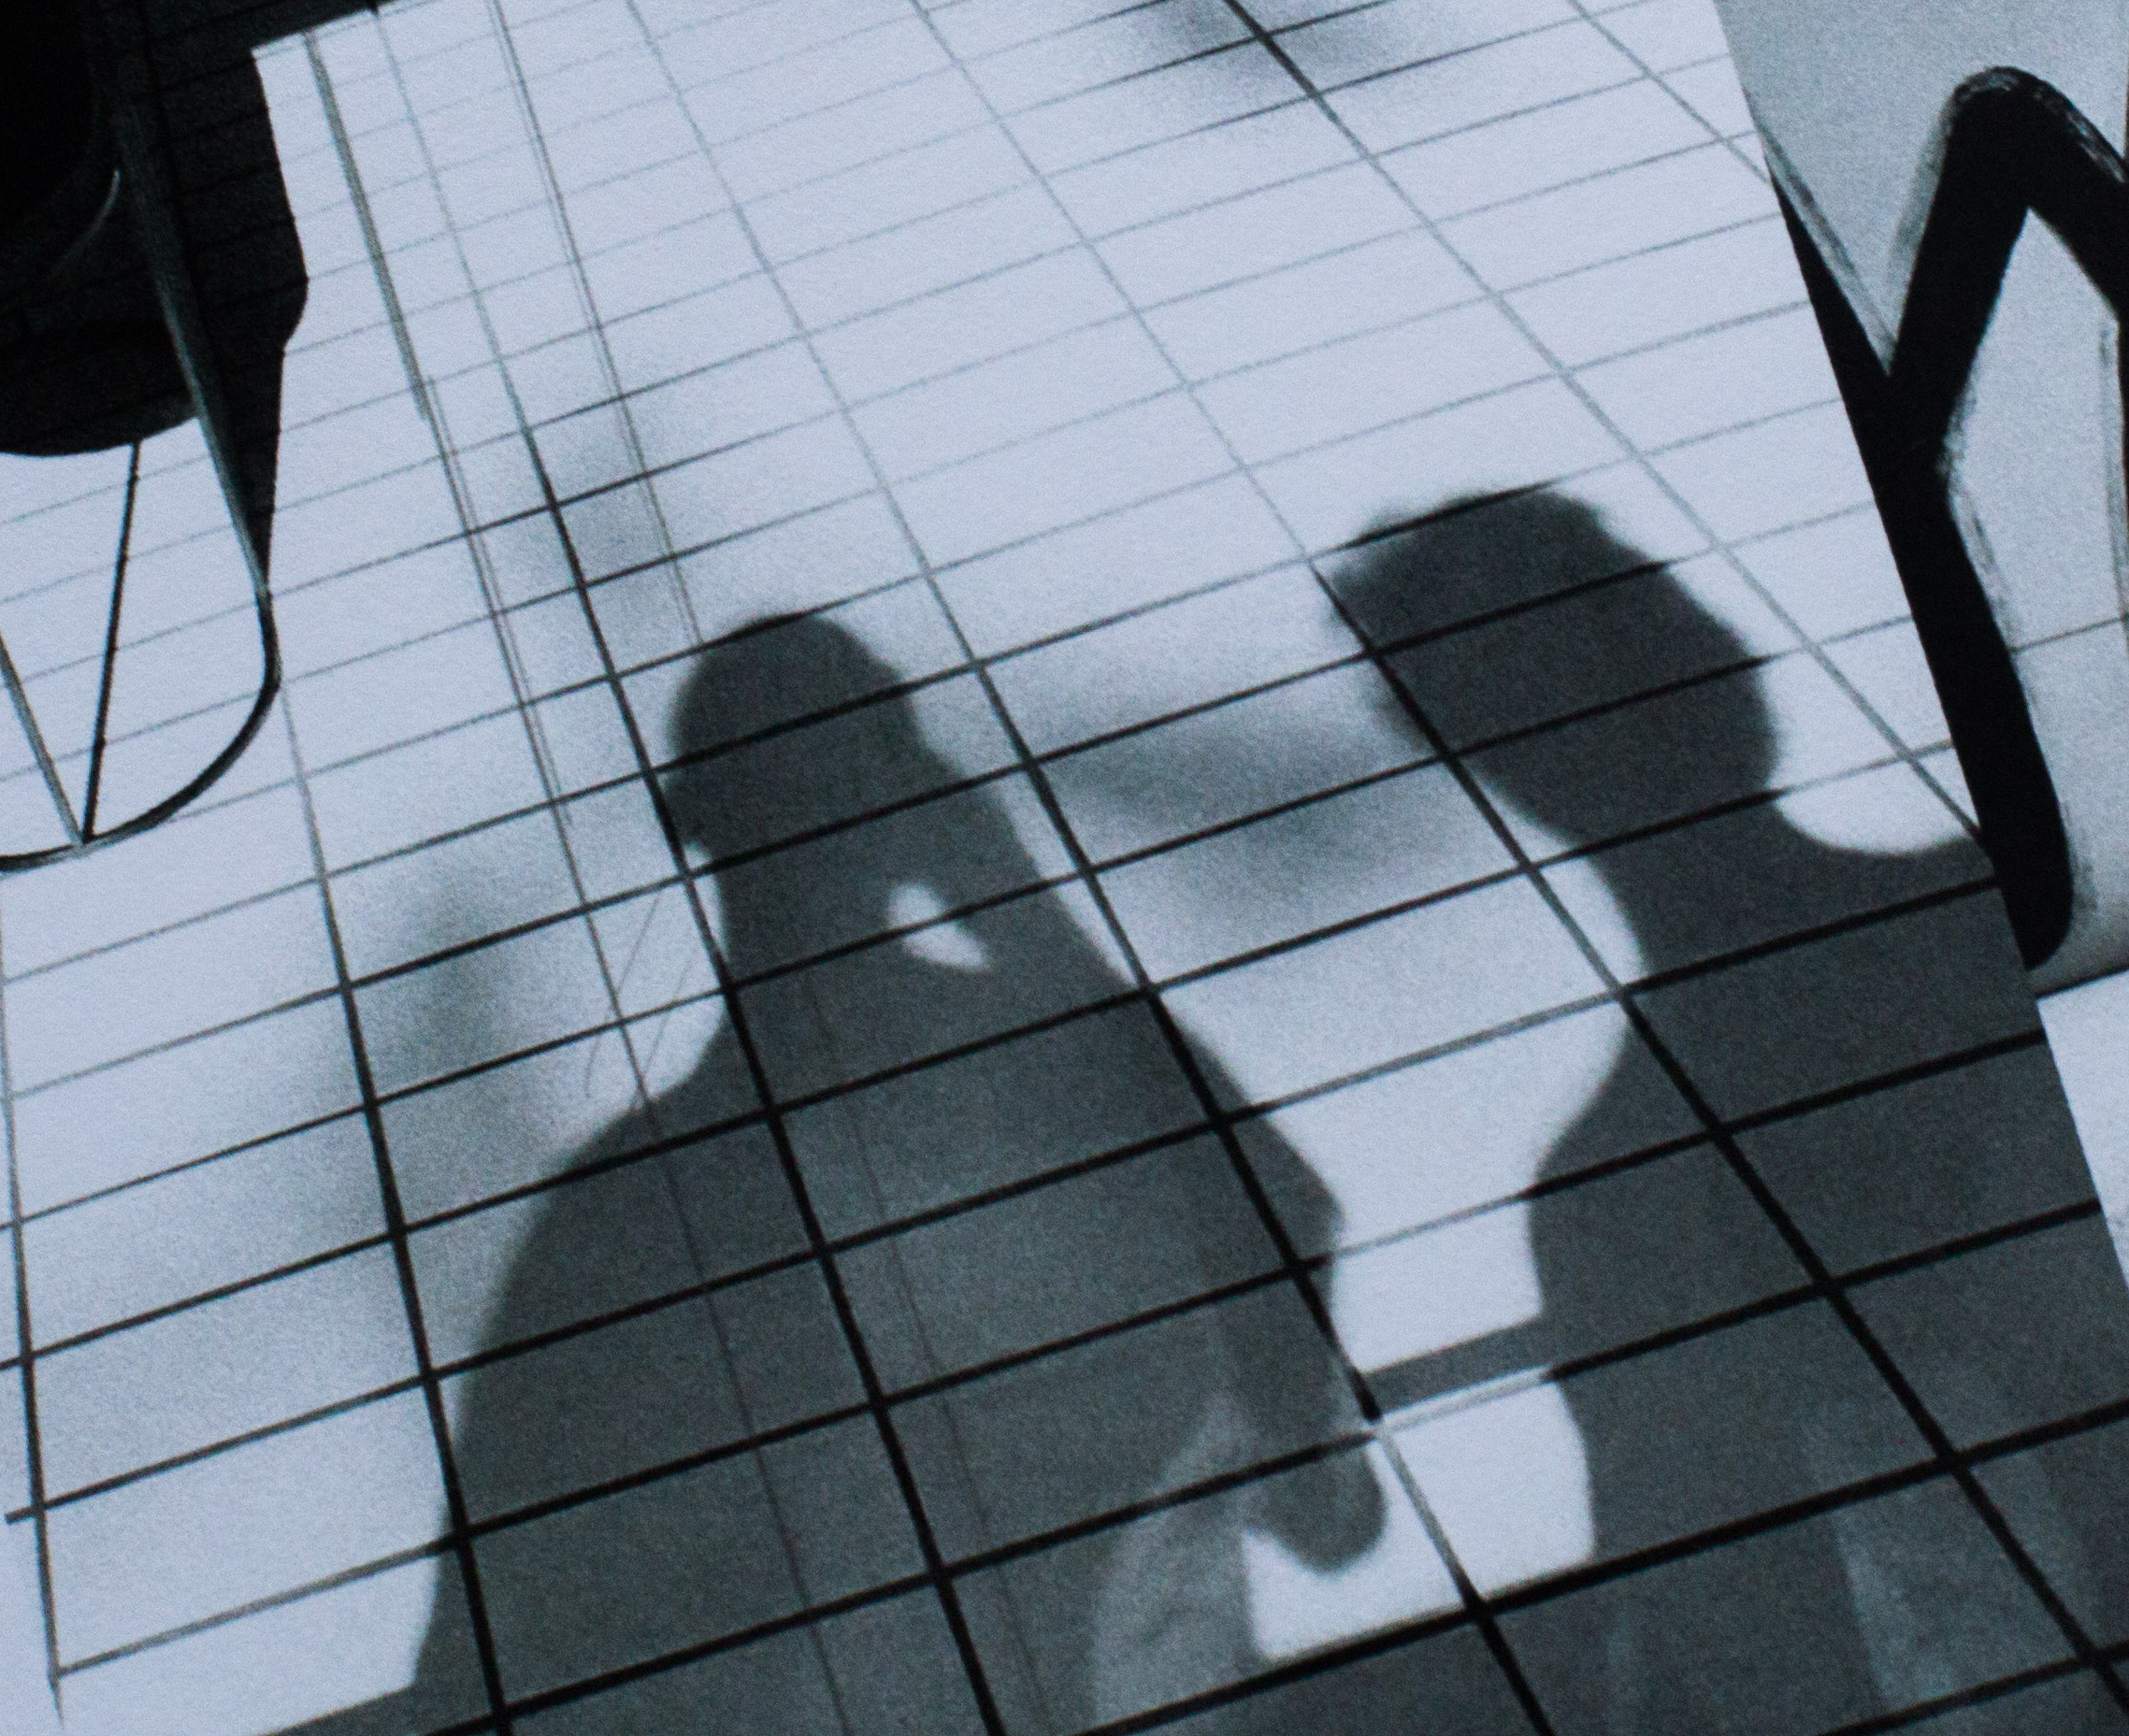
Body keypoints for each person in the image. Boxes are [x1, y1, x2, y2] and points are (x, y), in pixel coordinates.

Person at [369, 612, 1380, 1735]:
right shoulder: (1073, 1094)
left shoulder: (626, 1212)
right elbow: (1323, 1485)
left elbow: (479, 1653)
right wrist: (1026, 922)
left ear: (688, 820)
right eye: (841, 772)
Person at [1331, 491, 2129, 1736]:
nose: (1685, 644)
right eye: (1607, 636)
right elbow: (1732, 1640)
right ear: (1525, 760)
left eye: (1649, 595)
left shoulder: (1617, 1192)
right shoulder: (1622, 1201)